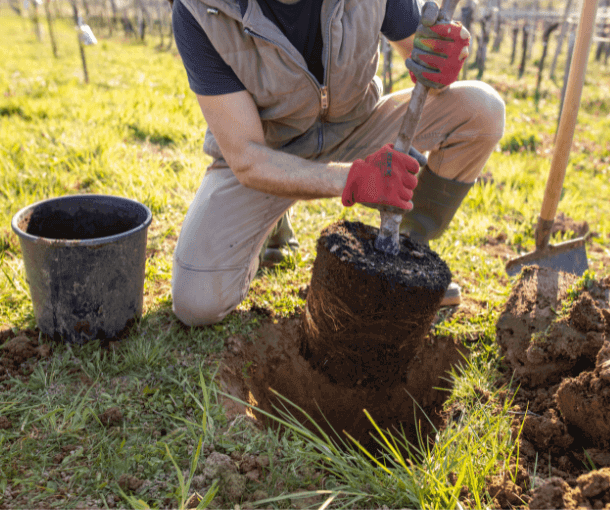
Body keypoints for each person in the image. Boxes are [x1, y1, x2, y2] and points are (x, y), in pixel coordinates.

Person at [170, 0, 506, 326]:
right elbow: (246, 157)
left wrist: (439, 61)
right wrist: (352, 181)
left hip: (358, 125)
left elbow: (420, 52)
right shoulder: (202, 10)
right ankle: (270, 219)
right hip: (269, 153)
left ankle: (407, 254)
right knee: (197, 302)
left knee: (482, 110)